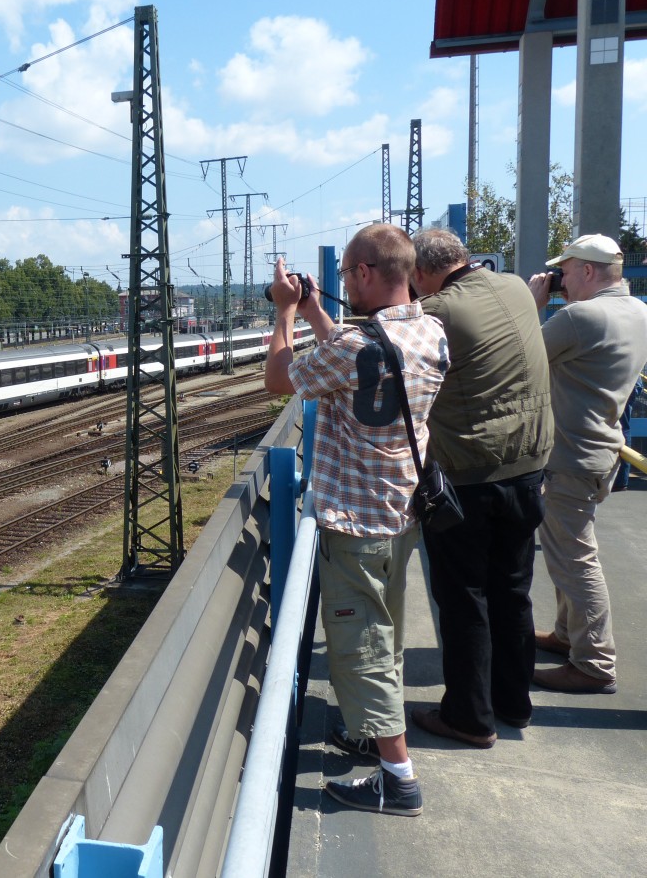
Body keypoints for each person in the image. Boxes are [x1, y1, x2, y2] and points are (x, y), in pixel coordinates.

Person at [265, 223, 448, 817]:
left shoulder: (352, 349)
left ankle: (398, 778)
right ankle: (372, 734)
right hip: (402, 515)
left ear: (365, 273)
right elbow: (367, 358)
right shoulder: (430, 332)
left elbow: (279, 379)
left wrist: (286, 312)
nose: (344, 282)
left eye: (347, 273)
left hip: (354, 523)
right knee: (386, 636)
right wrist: (318, 312)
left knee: (360, 645)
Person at [409, 229, 553, 745]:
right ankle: (514, 703)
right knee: (512, 591)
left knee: (464, 599)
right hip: (529, 468)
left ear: (420, 273)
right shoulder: (513, 286)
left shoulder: (435, 313)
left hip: (469, 476)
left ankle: (469, 718)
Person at [528, 234, 647, 694]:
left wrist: (535, 305)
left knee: (576, 560)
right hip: (601, 450)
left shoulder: (579, 317)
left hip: (570, 456)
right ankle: (567, 634)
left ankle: (594, 662)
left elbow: (519, 357)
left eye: (564, 271)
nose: (559, 279)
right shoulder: (637, 311)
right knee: (566, 553)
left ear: (588, 271)